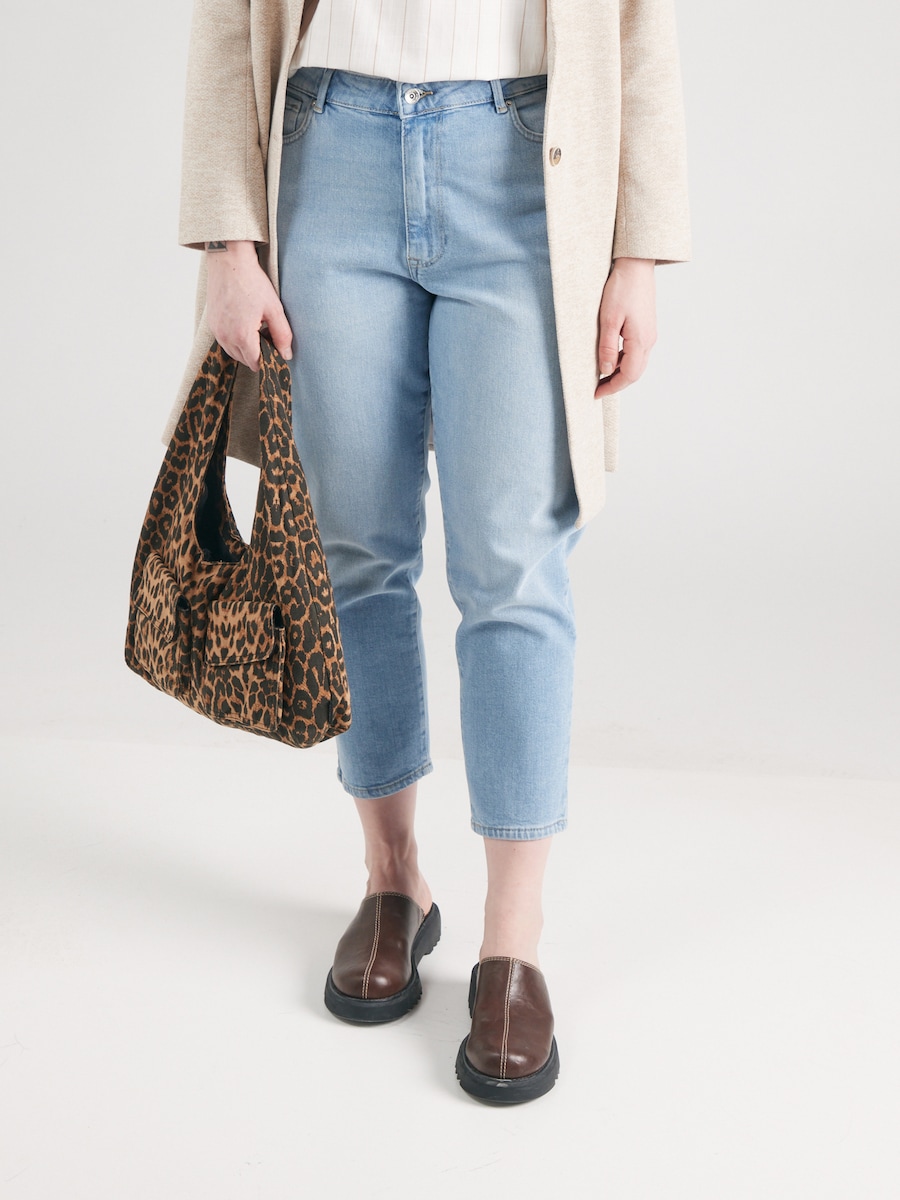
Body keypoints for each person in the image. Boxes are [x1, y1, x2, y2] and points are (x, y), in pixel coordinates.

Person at [167, 0, 691, 1104]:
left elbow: (639, 23)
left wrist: (639, 251)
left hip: (524, 159)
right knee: (356, 554)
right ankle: (394, 878)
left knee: (513, 567)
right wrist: (227, 240)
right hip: (332, 148)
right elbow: (226, 17)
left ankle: (512, 943)